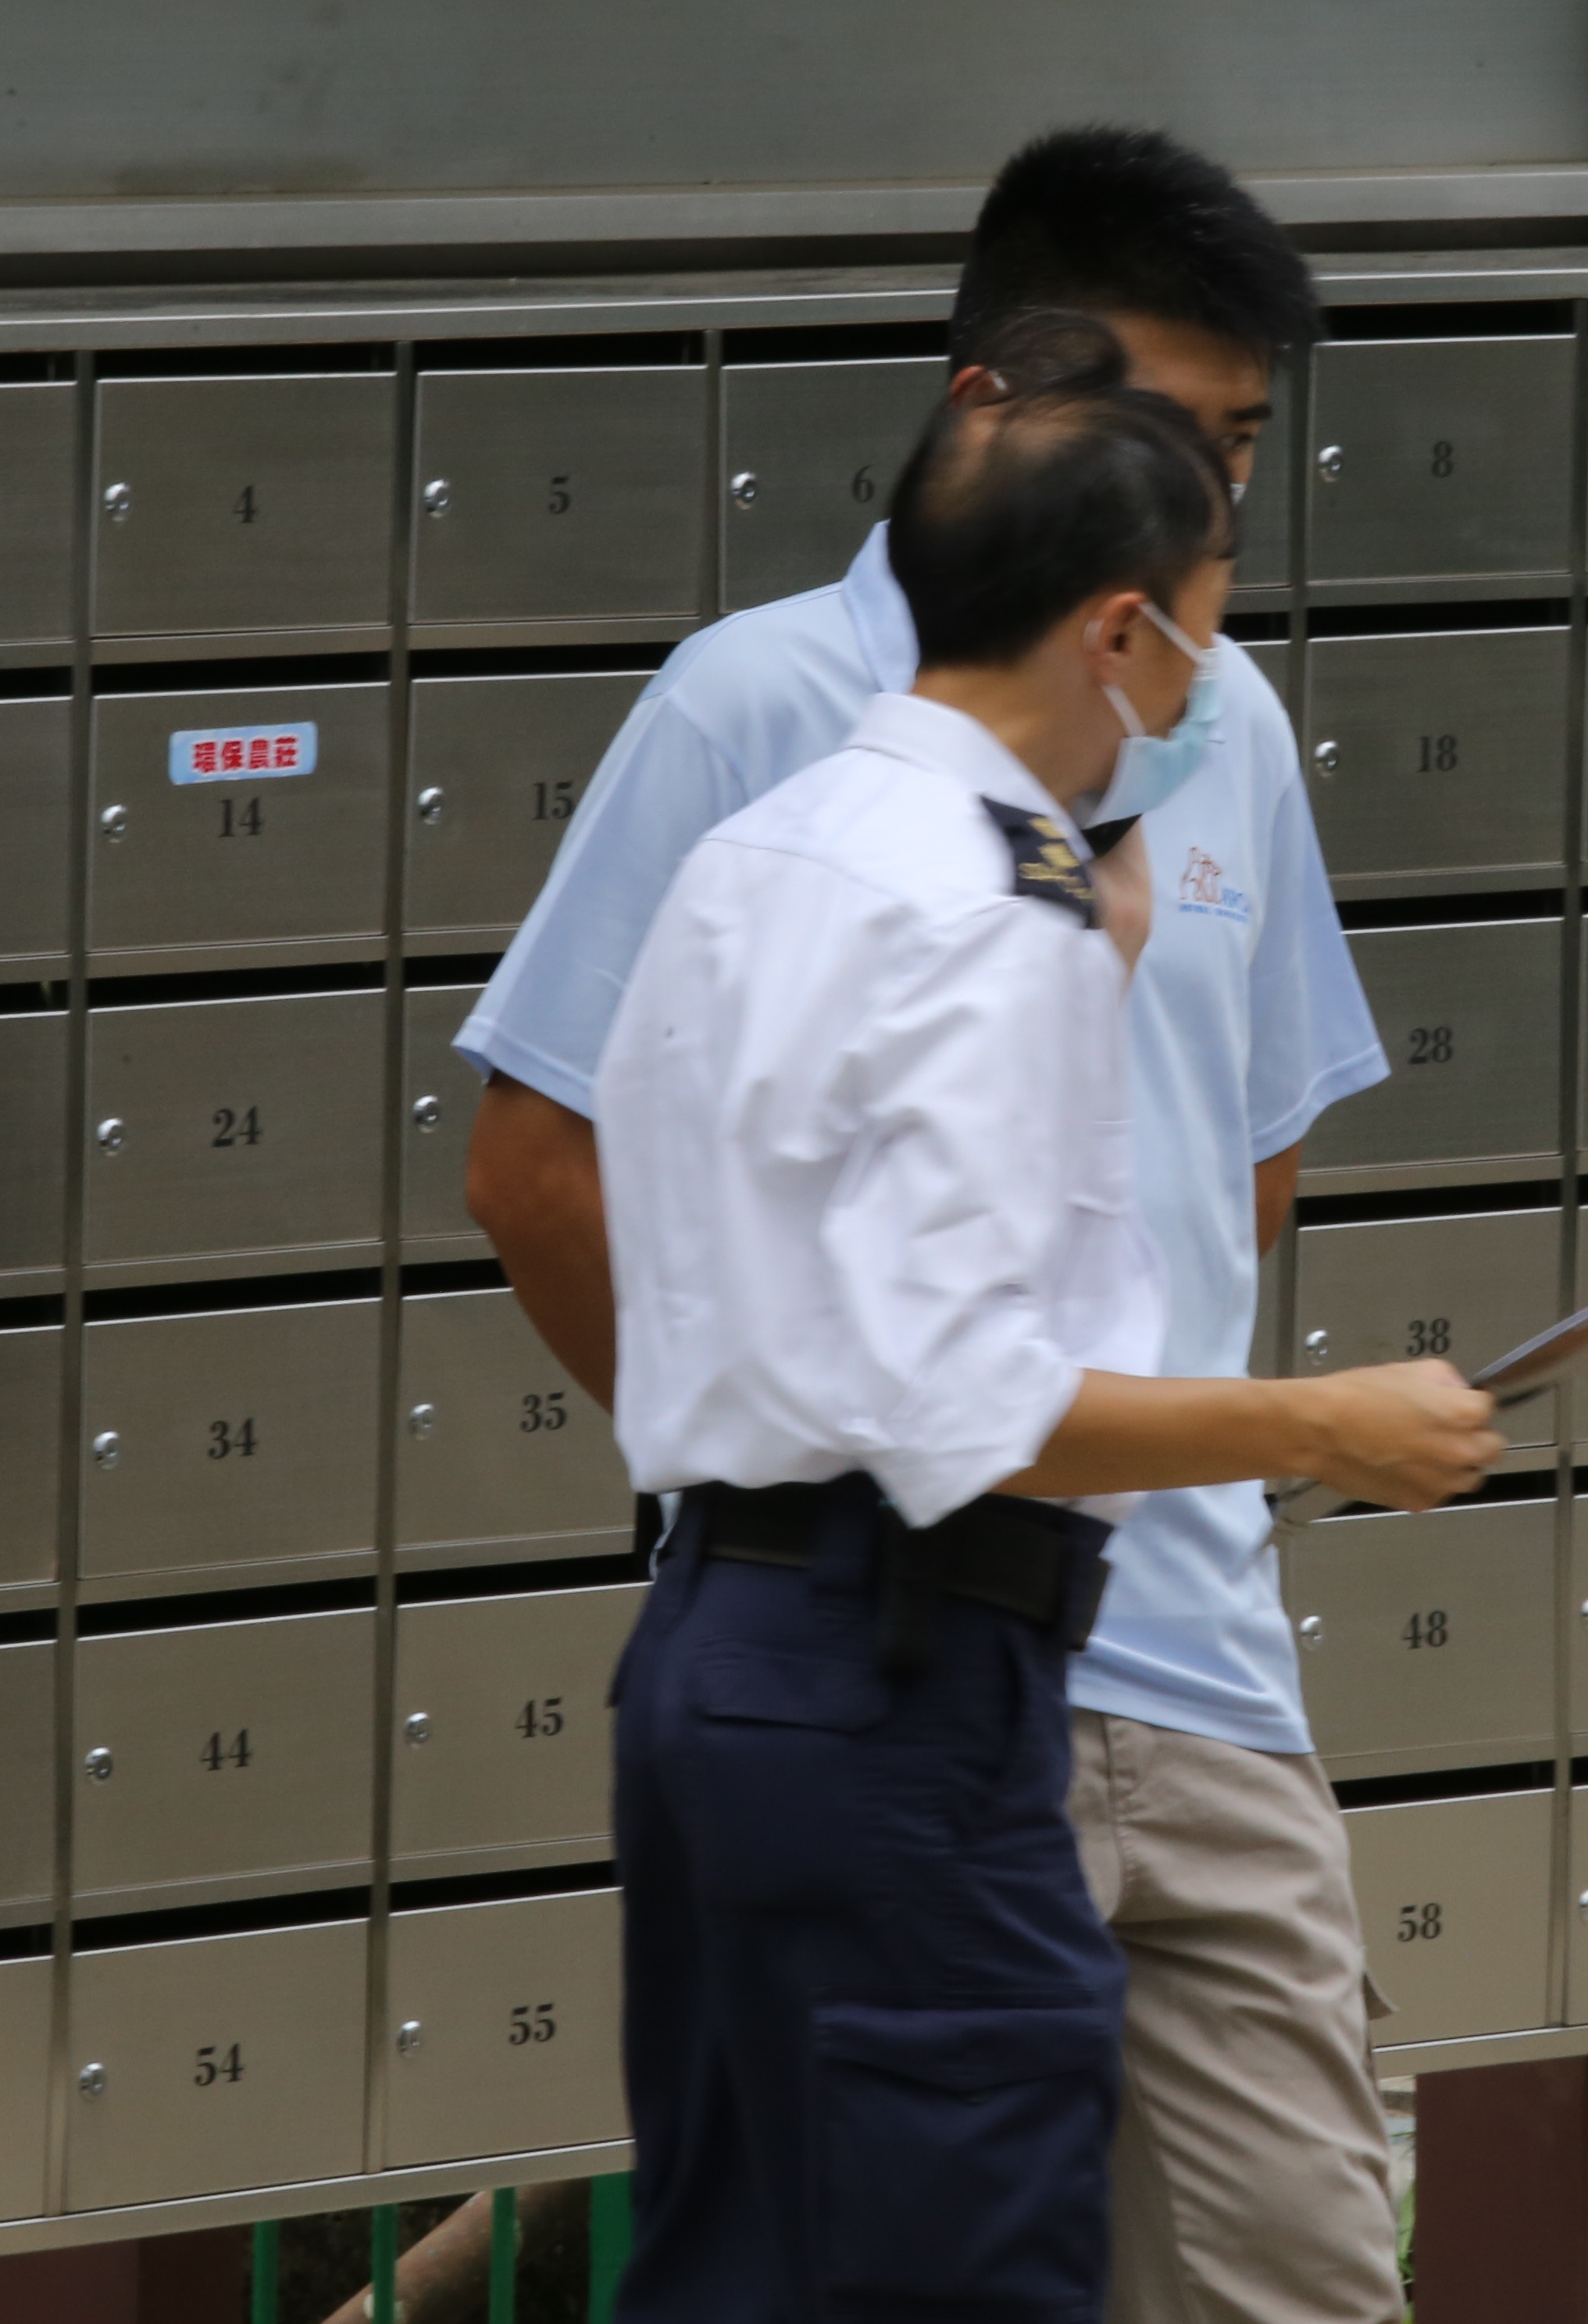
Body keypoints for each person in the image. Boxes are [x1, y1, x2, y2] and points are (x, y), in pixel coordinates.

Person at [462, 128, 1420, 2324]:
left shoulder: (1209, 720)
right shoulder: (804, 750)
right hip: (907, 1640)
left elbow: (1231, 1168)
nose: (1216, 508)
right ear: (993, 400)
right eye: (1168, 435)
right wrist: (811, 1481)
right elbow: (546, 1172)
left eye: (1244, 444)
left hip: (1160, 1643)